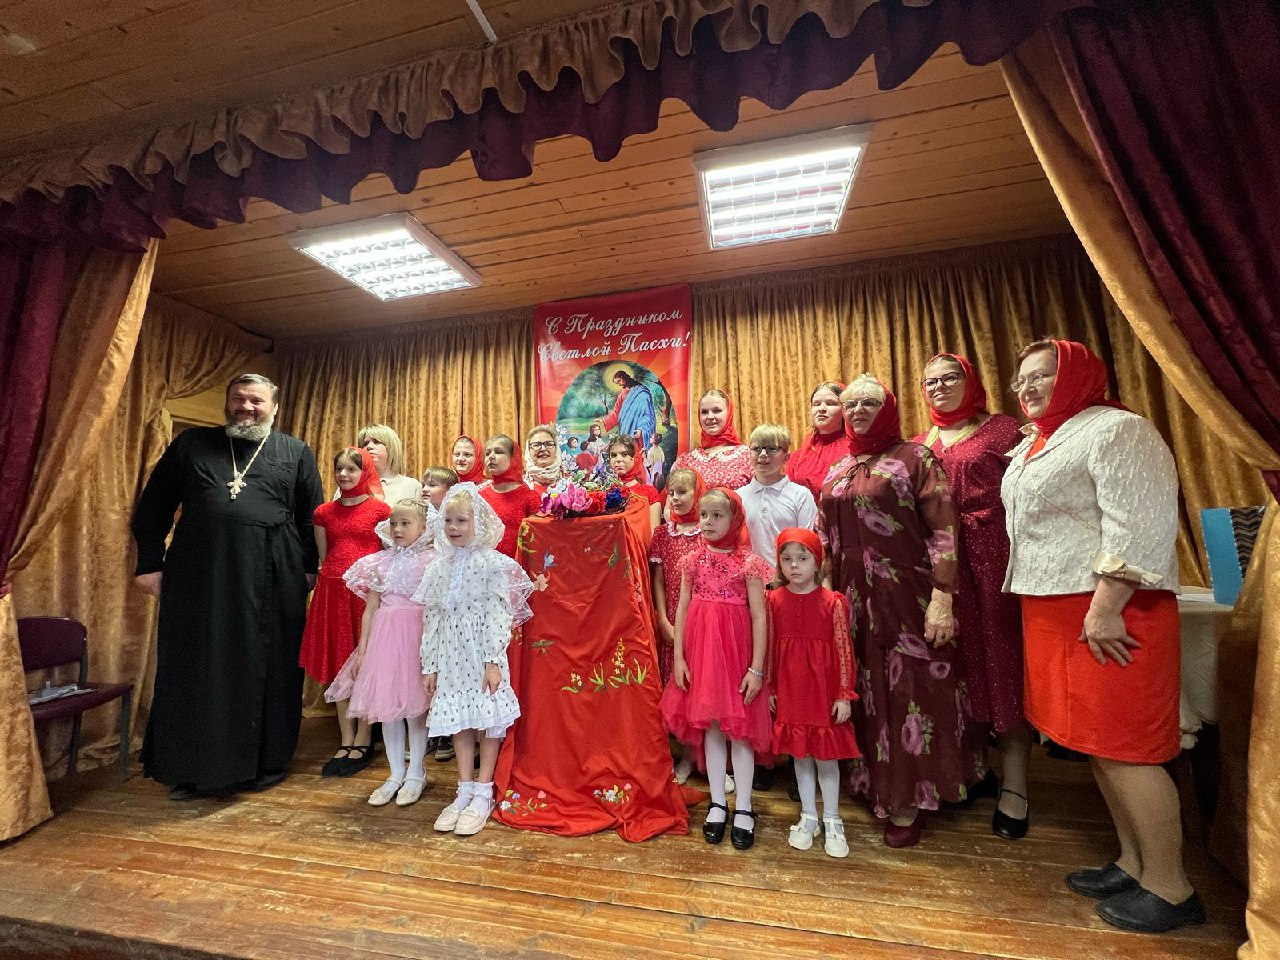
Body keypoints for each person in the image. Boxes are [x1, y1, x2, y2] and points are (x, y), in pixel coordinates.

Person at [1001, 339, 1201, 933]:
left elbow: (1139, 523)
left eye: (1042, 375)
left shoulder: (1117, 429)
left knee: (1126, 748)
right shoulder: (1037, 442)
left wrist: (1108, 605)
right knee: (1094, 743)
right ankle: (1134, 864)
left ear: (1078, 375)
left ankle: (1172, 887)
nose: (1028, 388)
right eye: (1021, 380)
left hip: (1110, 610)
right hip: (1054, 608)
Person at [132, 373, 325, 800]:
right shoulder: (192, 444)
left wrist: (309, 569)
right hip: (199, 575)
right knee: (195, 664)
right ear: (227, 402)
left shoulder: (294, 451)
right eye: (239, 399)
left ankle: (264, 764)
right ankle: (189, 768)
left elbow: (312, 516)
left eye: (256, 401)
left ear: (274, 407)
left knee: (268, 665)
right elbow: (154, 506)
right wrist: (148, 564)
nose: (246, 408)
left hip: (273, 576)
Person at [819, 374, 967, 848]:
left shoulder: (915, 458)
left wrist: (942, 598)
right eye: (851, 404)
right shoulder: (838, 469)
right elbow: (825, 538)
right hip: (852, 602)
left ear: (888, 408)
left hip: (908, 597)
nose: (858, 411)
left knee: (910, 693)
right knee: (863, 686)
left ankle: (909, 798)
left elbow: (944, 530)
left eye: (869, 403)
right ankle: (872, 785)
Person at [913, 353, 1031, 838]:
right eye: (930, 381)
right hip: (939, 567)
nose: (939, 387)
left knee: (1000, 667)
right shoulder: (920, 443)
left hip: (989, 560)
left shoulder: (1005, 430)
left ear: (971, 381)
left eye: (950, 377)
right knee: (953, 669)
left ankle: (1017, 784)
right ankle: (975, 768)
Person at [416, 484, 535, 837]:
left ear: (478, 522)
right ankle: (464, 789)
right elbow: (432, 618)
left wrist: (493, 659)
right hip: (450, 654)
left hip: (482, 653)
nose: (453, 527)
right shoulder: (438, 567)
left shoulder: (493, 564)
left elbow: (499, 614)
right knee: (460, 721)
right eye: (448, 520)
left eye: (462, 520)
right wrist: (429, 664)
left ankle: (483, 792)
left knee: (487, 720)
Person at [659, 488, 772, 850]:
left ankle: (745, 807)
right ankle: (718, 803)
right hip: (702, 656)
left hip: (736, 656)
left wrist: (756, 669)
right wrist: (680, 658)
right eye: (704, 515)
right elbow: (682, 609)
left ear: (734, 520)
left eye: (717, 515)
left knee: (740, 731)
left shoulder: (749, 563)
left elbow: (759, 617)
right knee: (710, 727)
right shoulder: (692, 561)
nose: (708, 522)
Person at [326, 499, 440, 807]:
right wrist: (364, 651)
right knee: (388, 711)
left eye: (405, 523)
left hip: (416, 639)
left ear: (424, 528)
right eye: (394, 523)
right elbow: (371, 609)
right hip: (385, 641)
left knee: (415, 711)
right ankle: (395, 773)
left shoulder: (433, 561)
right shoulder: (379, 562)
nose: (398, 529)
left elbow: (436, 607)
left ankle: (416, 773)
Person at [768, 528, 859, 859]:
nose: (794, 565)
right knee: (800, 755)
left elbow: (844, 650)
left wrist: (844, 694)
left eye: (802, 558)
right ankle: (808, 815)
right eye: (787, 559)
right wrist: (771, 687)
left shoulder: (832, 603)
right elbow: (770, 648)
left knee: (825, 757)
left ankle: (832, 817)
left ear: (817, 562)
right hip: (791, 690)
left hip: (823, 691)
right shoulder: (773, 601)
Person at [299, 447, 391, 778]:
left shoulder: (381, 510)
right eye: (339, 468)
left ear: (364, 472)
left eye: (352, 469)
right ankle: (346, 738)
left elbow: (387, 556)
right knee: (339, 665)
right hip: (333, 594)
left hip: (365, 597)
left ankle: (364, 738)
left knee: (364, 663)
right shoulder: (324, 512)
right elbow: (325, 557)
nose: (344, 474)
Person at [648, 467, 705, 783]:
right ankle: (684, 755)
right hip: (672, 617)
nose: (676, 498)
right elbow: (658, 580)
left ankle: (705, 757)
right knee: (679, 686)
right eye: (672, 493)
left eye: (683, 492)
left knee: (703, 685)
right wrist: (662, 618)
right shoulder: (663, 534)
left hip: (703, 619)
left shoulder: (707, 532)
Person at [737, 424, 818, 569]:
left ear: (786, 457)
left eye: (772, 449)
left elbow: (805, 546)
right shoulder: (738, 497)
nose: (763, 454)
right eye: (756, 448)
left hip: (788, 577)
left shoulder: (801, 496)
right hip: (747, 577)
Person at [672, 390, 754, 489]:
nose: (710, 417)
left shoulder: (749, 456)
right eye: (704, 412)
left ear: (729, 414)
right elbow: (673, 496)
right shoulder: (685, 461)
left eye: (717, 411)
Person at [786, 381, 853, 499]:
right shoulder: (797, 456)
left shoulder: (854, 449)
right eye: (816, 404)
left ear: (844, 409)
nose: (821, 409)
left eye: (830, 403)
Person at [479, 434, 542, 558]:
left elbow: (539, 539)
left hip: (520, 565)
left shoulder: (529, 497)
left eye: (499, 452)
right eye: (487, 453)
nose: (491, 457)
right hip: (486, 565)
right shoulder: (480, 496)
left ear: (513, 458)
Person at [597, 368, 661, 451]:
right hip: (625, 428)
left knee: (637, 451)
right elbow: (616, 412)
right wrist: (604, 420)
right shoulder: (622, 393)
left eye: (619, 381)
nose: (619, 384)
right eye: (617, 383)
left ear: (624, 377)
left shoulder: (642, 392)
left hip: (638, 428)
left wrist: (641, 429)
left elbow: (647, 414)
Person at [607, 433, 662, 529]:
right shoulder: (606, 491)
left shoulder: (650, 493)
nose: (618, 459)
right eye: (614, 455)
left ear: (635, 458)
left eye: (624, 454)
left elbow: (654, 533)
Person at [356, 424, 422, 502]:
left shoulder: (412, 486)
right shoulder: (353, 484)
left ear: (391, 447)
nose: (369, 446)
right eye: (365, 444)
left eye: (376, 442)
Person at [523, 425, 564, 496]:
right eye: (536, 445)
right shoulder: (519, 484)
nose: (543, 448)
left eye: (548, 444)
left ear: (556, 449)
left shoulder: (569, 482)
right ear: (528, 451)